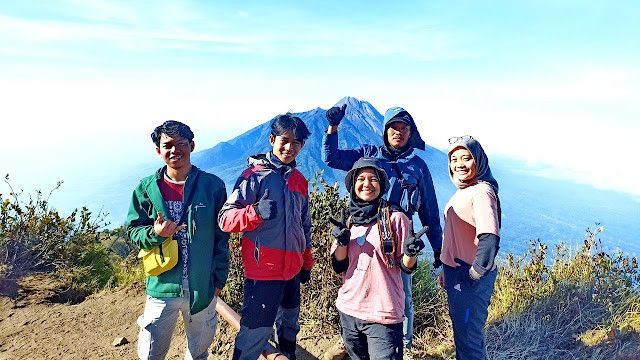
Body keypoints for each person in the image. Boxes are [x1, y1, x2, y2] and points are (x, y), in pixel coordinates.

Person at [322, 104, 443, 349]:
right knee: (356, 282)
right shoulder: (370, 153)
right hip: (363, 228)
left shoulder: (418, 166)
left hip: (399, 235)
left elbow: (429, 208)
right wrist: (332, 127)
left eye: (403, 128)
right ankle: (354, 339)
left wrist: (438, 249)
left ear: (411, 133)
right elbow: (331, 158)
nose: (398, 132)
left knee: (401, 293)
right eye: (393, 128)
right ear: (385, 130)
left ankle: (402, 346)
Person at [126, 120, 230, 360]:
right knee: (151, 354)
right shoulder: (147, 189)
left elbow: (221, 238)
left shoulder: (212, 186)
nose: (175, 150)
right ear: (158, 151)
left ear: (191, 145)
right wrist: (156, 234)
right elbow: (134, 231)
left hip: (202, 288)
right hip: (162, 286)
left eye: (180, 144)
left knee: (198, 353)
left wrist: (218, 280)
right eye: (167, 145)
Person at [218, 114, 314, 360]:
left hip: (291, 272)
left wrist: (306, 262)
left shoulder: (299, 180)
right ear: (272, 139)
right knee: (253, 335)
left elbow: (304, 225)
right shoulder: (253, 176)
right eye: (284, 140)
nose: (289, 147)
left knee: (289, 331)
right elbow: (225, 219)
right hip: (263, 274)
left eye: (296, 143)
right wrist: (255, 212)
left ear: (302, 146)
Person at [328, 157, 427, 360]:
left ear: (381, 185)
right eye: (361, 179)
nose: (366, 184)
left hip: (383, 314)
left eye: (373, 179)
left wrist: (410, 252)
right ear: (353, 184)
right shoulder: (347, 219)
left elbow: (407, 268)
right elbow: (339, 265)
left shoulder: (395, 218)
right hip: (349, 309)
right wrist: (342, 241)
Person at [438, 135, 501, 360]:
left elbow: (489, 238)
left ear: (479, 161)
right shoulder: (467, 188)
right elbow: (455, 236)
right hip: (456, 272)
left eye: (466, 158)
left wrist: (472, 275)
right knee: (464, 337)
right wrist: (446, 270)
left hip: (469, 277)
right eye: (454, 159)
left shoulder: (481, 191)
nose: (459, 164)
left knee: (469, 341)